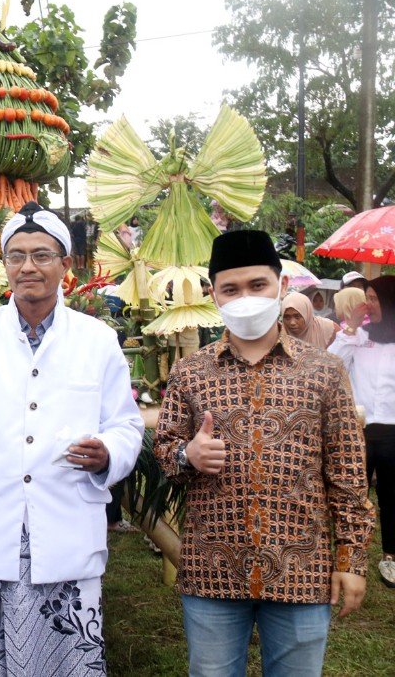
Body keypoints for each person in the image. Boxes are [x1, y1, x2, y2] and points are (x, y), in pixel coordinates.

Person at [0, 202, 144, 676]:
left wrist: (107, 454)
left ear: (65, 264)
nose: (28, 267)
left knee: (67, 660)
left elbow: (126, 425)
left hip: (64, 524)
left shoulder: (97, 339)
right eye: (16, 256)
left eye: (42, 255)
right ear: (5, 267)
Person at [154, 230, 374, 676]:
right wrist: (186, 456)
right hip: (213, 569)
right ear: (214, 296)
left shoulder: (324, 371)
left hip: (301, 568)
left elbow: (348, 471)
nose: (245, 298)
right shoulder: (190, 373)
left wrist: (352, 559)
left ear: (282, 287)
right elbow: (164, 447)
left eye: (258, 285)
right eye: (231, 289)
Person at [329, 275, 395, 588]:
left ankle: (390, 557)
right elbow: (333, 365)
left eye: (376, 297)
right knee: (352, 494)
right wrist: (351, 328)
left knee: (392, 496)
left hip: (393, 431)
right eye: (367, 297)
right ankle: (348, 557)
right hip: (359, 428)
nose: (369, 304)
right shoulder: (358, 335)